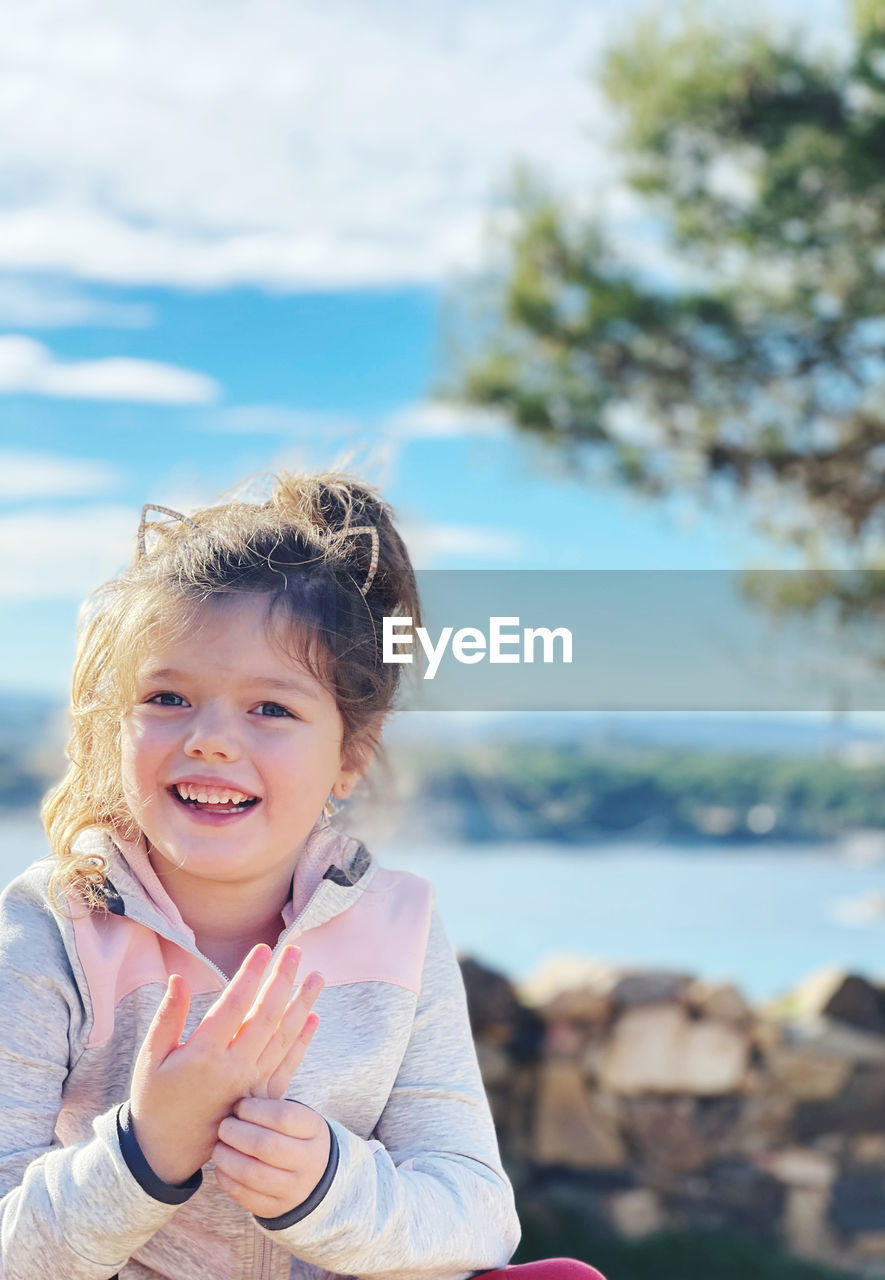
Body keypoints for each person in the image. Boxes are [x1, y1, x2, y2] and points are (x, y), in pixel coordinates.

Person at [0, 470, 605, 1280]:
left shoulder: (401, 930)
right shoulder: (53, 930)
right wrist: (145, 1152)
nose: (211, 739)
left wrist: (326, 1186)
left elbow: (478, 1214)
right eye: (168, 697)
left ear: (350, 755)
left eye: (271, 709)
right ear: (117, 727)